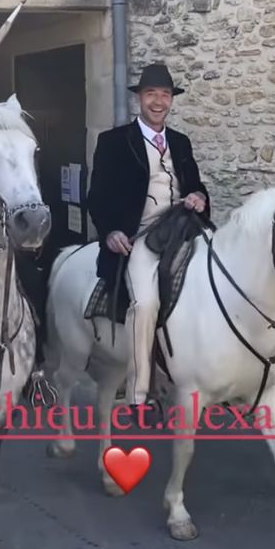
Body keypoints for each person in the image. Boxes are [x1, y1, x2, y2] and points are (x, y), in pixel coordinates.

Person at [87, 63, 210, 424]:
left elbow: (196, 187)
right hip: (140, 236)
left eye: (165, 95)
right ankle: (139, 395)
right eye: (151, 94)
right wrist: (111, 231)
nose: (159, 102)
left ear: (172, 101)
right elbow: (97, 197)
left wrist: (199, 199)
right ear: (139, 99)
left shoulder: (181, 142)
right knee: (145, 304)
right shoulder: (113, 142)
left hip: (183, 229)